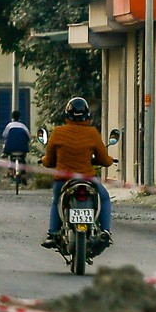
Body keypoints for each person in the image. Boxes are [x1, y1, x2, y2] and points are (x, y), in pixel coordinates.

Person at [42, 96, 114, 250]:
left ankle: (53, 233)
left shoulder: (58, 132)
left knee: (57, 201)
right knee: (104, 198)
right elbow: (104, 160)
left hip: (63, 180)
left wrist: (44, 160)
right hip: (88, 179)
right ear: (87, 114)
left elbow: (48, 161)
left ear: (67, 114)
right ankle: (106, 232)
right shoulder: (92, 133)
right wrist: (109, 160)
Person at [0, 109, 32, 183]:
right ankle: (23, 174)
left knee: (11, 158)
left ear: (12, 117)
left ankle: (10, 171)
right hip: (22, 148)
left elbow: (4, 135)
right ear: (19, 117)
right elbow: (29, 137)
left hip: (11, 148)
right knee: (23, 159)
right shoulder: (23, 126)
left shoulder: (9, 126)